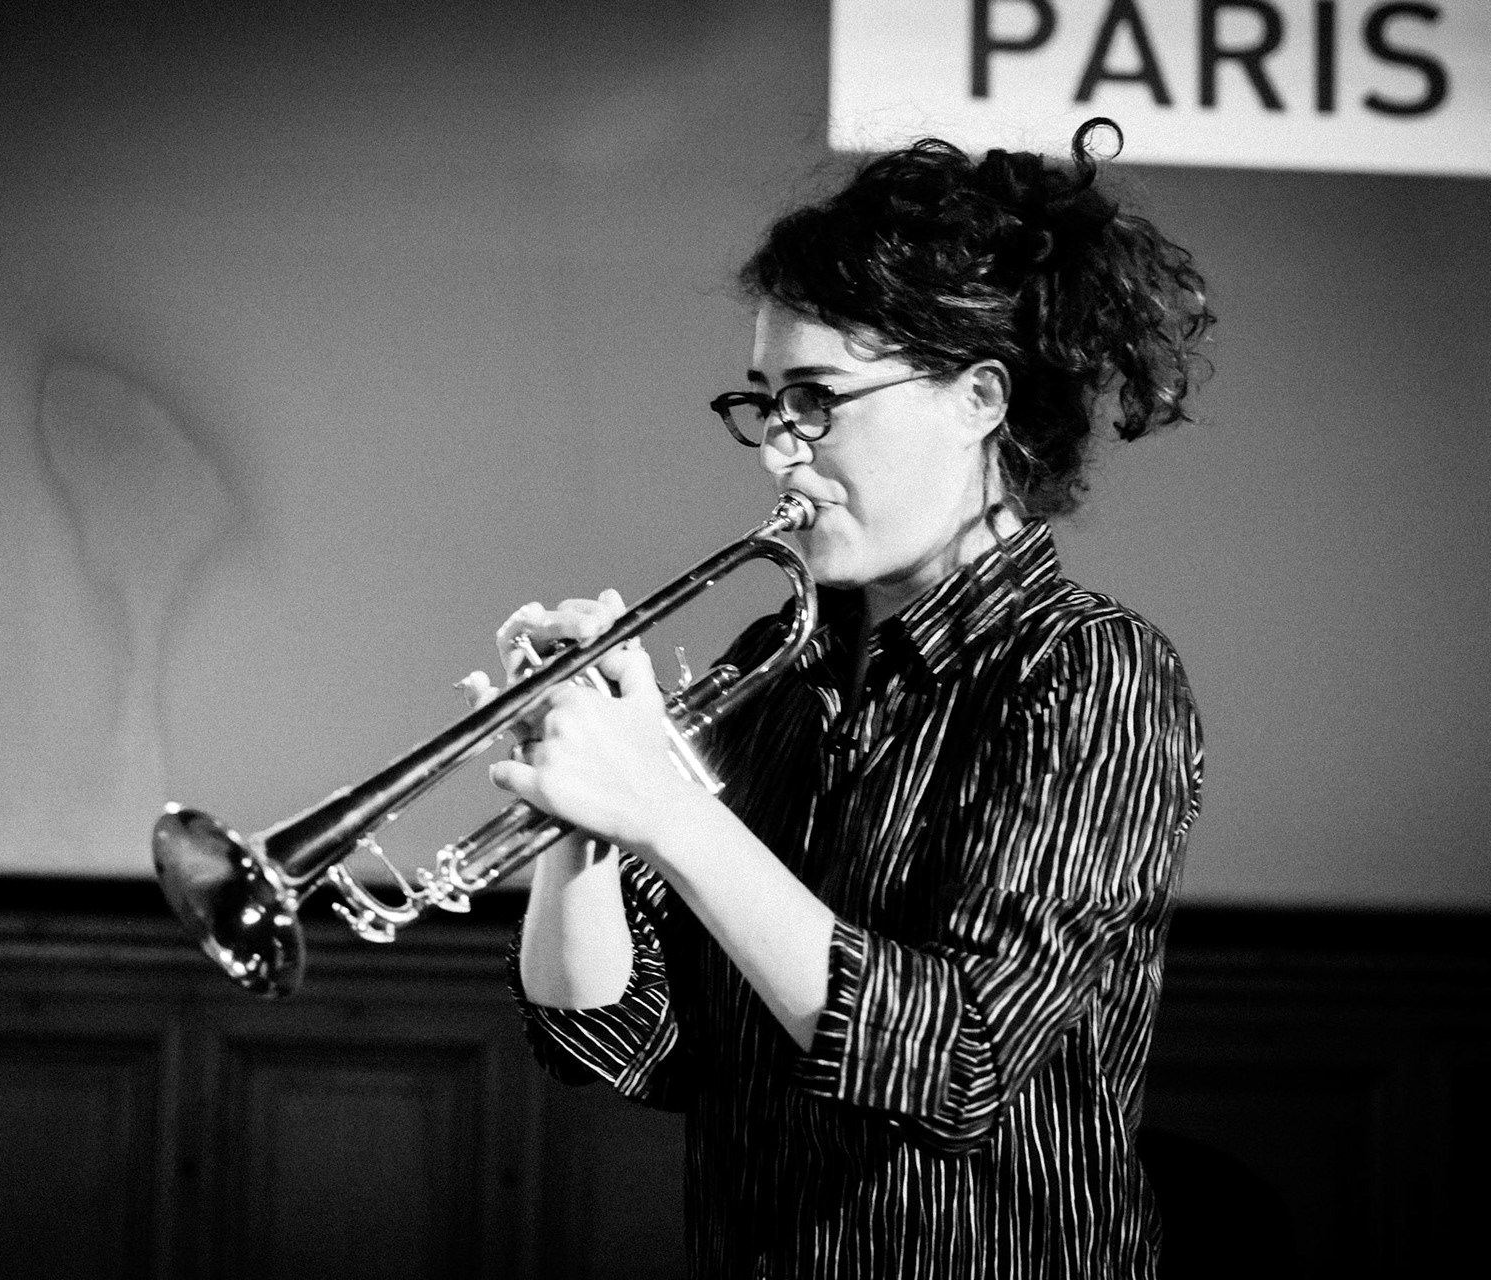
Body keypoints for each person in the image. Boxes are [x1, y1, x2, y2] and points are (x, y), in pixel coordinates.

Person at [466, 119, 1212, 1278]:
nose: (779, 449)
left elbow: (955, 1057)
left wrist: (671, 808)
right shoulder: (785, 658)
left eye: (818, 398)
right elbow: (626, 1042)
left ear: (977, 396)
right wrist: (585, 831)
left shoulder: (1089, 671)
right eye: (764, 401)